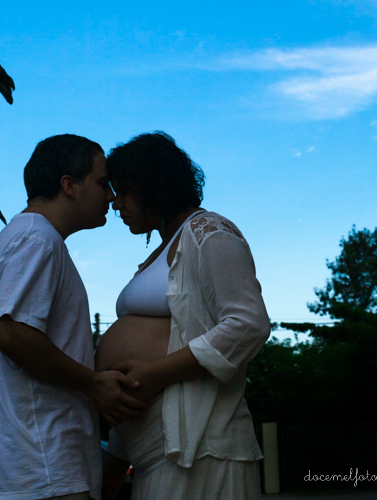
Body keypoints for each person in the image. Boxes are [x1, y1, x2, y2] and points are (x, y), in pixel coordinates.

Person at [0, 134, 147, 500]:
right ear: (69, 185)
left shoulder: (25, 237)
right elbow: (10, 333)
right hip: (38, 466)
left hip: (23, 470)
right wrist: (94, 384)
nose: (110, 196)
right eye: (101, 183)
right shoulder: (36, 240)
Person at [97, 132, 271, 500]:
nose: (117, 204)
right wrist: (116, 460)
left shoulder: (210, 232)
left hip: (203, 450)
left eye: (125, 191)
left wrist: (153, 373)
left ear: (154, 187)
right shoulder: (164, 247)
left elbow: (247, 325)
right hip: (153, 453)